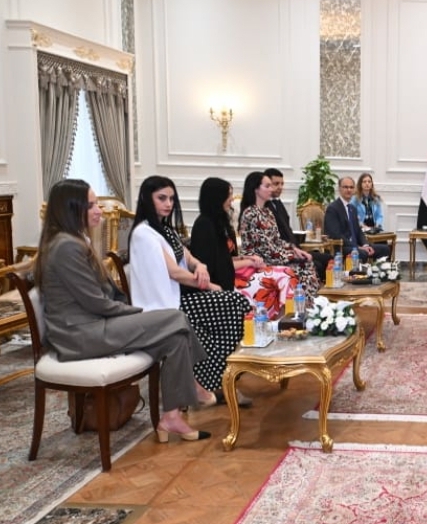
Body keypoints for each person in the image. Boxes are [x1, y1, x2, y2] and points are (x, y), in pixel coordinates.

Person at [36, 179, 212, 441]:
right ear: (72, 210)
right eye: (92, 205)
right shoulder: (66, 247)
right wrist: (137, 313)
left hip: (93, 324)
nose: (99, 210)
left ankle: (171, 418)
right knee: (176, 318)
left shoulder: (73, 240)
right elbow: (96, 303)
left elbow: (100, 298)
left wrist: (135, 313)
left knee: (175, 337)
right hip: (81, 334)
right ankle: (196, 385)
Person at [129, 175, 252, 405]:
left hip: (179, 298)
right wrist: (208, 285)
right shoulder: (144, 233)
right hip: (164, 306)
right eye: (161, 198)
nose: (168, 204)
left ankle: (215, 379)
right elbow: (174, 272)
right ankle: (214, 381)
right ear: (147, 199)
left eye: (171, 199)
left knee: (233, 308)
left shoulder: (165, 229)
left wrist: (200, 266)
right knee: (234, 303)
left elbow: (188, 257)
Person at [190, 177, 299, 319]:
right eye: (228, 195)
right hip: (222, 282)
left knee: (286, 272)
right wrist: (248, 262)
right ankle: (276, 320)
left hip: (233, 274)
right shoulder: (204, 225)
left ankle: (285, 319)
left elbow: (227, 256)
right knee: (282, 276)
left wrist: (246, 258)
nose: (231, 199)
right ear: (217, 197)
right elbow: (217, 265)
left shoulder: (220, 222)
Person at [238, 171, 321, 295]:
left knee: (306, 262)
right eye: (267, 186)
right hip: (260, 260)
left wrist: (294, 250)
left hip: (273, 256)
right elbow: (265, 249)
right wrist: (291, 255)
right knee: (302, 267)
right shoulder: (251, 213)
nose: (271, 189)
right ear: (256, 189)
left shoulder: (267, 212)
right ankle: (301, 302)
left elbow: (277, 240)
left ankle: (308, 302)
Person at [324, 176, 392, 261]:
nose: (349, 190)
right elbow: (336, 235)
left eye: (351, 187)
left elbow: (358, 231)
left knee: (385, 249)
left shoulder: (352, 208)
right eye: (345, 187)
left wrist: (365, 245)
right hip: (342, 247)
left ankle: (378, 269)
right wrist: (357, 247)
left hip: (356, 246)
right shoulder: (333, 208)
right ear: (339, 189)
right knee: (362, 253)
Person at [264, 167, 296, 244]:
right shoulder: (262, 206)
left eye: (282, 184)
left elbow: (287, 230)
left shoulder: (278, 203)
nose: (280, 187)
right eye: (276, 184)